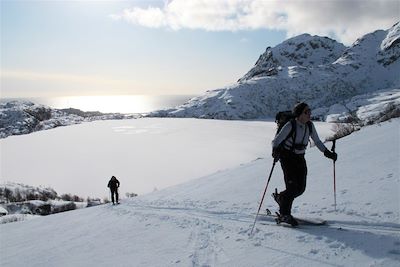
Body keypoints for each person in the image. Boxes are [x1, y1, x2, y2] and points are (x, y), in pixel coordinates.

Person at [271, 102, 337, 226]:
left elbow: (317, 141)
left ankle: (281, 198)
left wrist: (327, 153)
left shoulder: (309, 126)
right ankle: (284, 214)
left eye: (309, 111)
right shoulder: (291, 125)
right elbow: (276, 141)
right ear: (299, 113)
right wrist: (275, 151)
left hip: (300, 158)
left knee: (300, 189)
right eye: (307, 112)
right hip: (287, 158)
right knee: (292, 187)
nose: (310, 114)